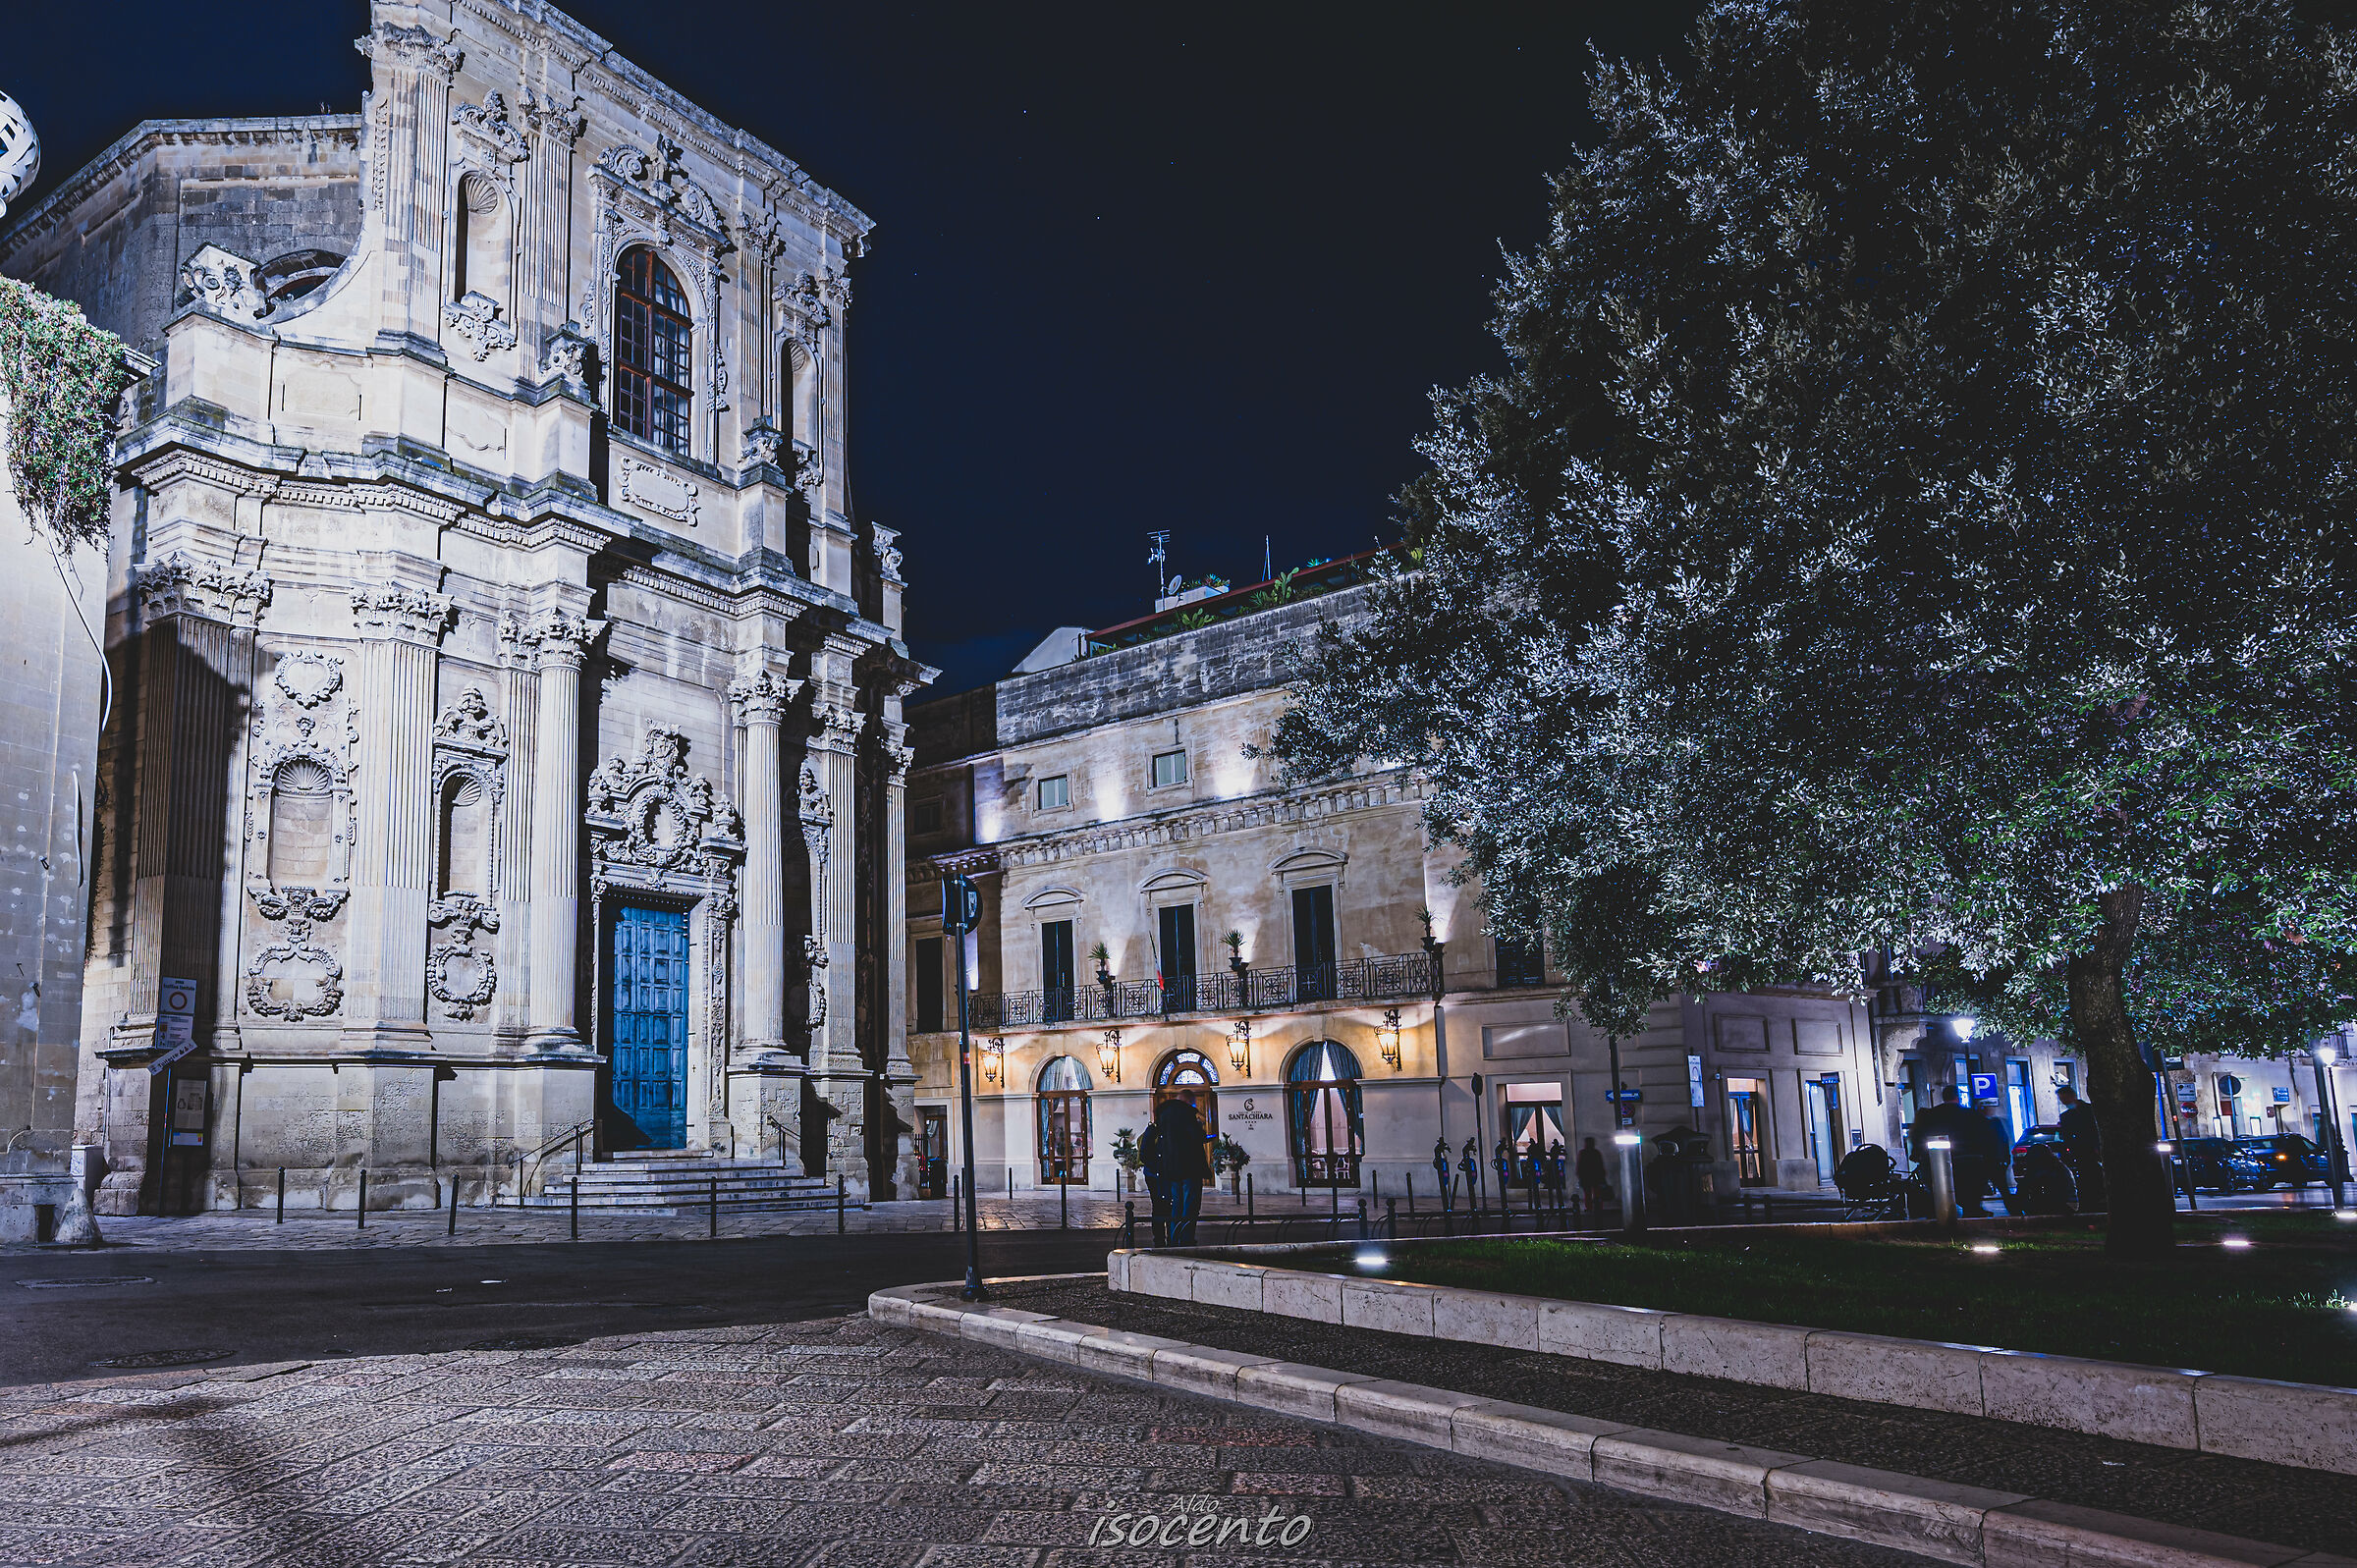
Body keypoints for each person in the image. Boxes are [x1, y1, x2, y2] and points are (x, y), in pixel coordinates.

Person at [1156, 1095, 1214, 1246]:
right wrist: (1201, 1129)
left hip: (1172, 1167)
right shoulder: (1186, 1113)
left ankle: (1174, 1237)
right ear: (1188, 1101)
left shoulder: (1164, 1114)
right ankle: (1186, 1237)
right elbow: (1195, 1135)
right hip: (1189, 1166)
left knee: (1176, 1205)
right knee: (1190, 1204)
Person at [2056, 1086, 2104, 1209]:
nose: (2063, 1102)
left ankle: (2095, 1201)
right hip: (2079, 1152)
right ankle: (2088, 1203)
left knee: (2093, 1176)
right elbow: (2067, 1137)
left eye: (2064, 1099)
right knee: (2084, 1178)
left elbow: (2095, 1130)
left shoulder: (2089, 1110)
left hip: (2090, 1149)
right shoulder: (2066, 1116)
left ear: (2071, 1096)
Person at [1974, 1099, 2016, 1216]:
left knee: (2002, 1188)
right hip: (1989, 1161)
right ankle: (2013, 1211)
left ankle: (2013, 1210)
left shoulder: (1994, 1123)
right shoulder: (1987, 1123)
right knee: (1999, 1188)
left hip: (1993, 1161)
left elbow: (2003, 1142)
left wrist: (2006, 1160)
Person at [1138, 1119, 1170, 1246]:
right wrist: (1157, 1167)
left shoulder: (1162, 1129)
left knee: (1162, 1206)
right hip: (1155, 1174)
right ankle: (1159, 1239)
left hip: (1159, 1173)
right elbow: (1144, 1154)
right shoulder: (1153, 1130)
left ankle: (1163, 1238)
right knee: (1159, 1206)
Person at [1576, 1135, 1609, 1217]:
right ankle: (1598, 1207)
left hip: (1586, 1176)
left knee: (1587, 1193)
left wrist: (1579, 1174)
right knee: (1597, 1193)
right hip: (1596, 1176)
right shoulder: (1596, 1152)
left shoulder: (1582, 1152)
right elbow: (1600, 1165)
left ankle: (1589, 1207)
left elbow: (1580, 1165)